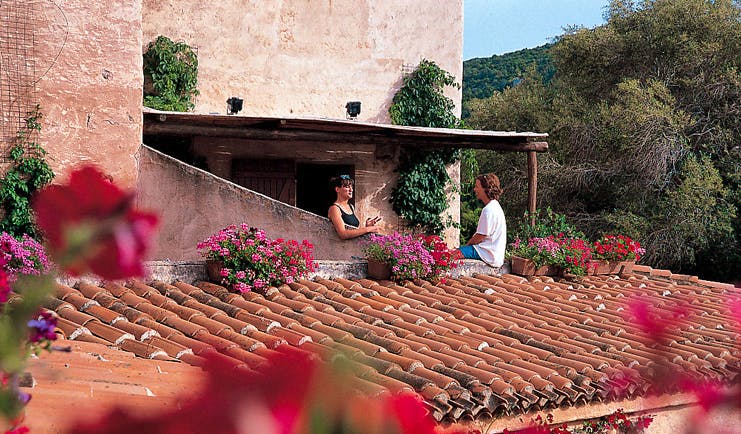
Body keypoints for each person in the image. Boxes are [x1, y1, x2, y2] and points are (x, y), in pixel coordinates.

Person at [458, 173, 506, 267]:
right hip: (492, 253)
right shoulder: (495, 207)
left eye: (477, 186)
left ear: (486, 189)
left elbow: (480, 236)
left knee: (450, 255)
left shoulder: (489, 210)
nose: (475, 189)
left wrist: (466, 247)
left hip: (487, 254)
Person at [328, 175, 381, 239]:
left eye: (351, 187)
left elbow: (354, 231)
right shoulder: (335, 209)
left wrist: (367, 226)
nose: (351, 190)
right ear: (337, 189)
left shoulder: (351, 207)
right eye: (347, 187)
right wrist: (367, 229)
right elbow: (343, 234)